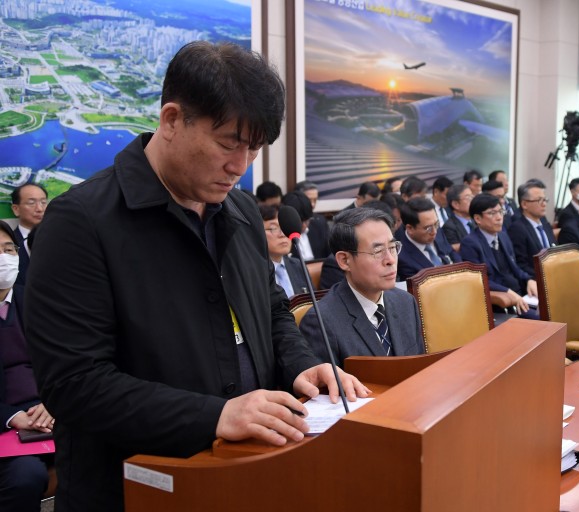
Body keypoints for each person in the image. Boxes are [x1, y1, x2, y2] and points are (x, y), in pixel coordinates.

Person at [24, 41, 368, 511]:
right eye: (228, 144)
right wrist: (215, 415)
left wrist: (301, 365)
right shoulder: (81, 223)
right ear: (171, 120)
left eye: (254, 149)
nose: (240, 167)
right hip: (142, 487)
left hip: (252, 472)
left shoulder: (242, 210)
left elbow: (270, 311)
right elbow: (75, 384)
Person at [300, 209, 424, 368]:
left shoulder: (405, 302)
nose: (390, 260)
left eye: (392, 247)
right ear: (344, 260)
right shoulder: (321, 322)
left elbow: (419, 368)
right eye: (378, 251)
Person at [0, 220, 54, 512]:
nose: (4, 257)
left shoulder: (36, 301)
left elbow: (69, 360)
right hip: (8, 426)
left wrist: (55, 401)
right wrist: (12, 417)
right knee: (25, 477)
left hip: (53, 413)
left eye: (9, 249)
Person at [459, 194, 539, 319]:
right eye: (492, 213)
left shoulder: (503, 236)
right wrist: (507, 291)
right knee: (543, 317)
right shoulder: (470, 243)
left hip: (520, 294)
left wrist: (529, 280)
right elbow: (478, 280)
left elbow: (515, 267)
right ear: (478, 218)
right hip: (502, 304)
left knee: (554, 307)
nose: (499, 218)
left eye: (500, 211)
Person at [395, 197, 461, 280]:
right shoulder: (402, 257)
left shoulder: (437, 230)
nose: (434, 232)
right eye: (428, 228)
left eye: (436, 224)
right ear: (410, 228)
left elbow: (451, 252)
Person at [507, 179, 556, 277]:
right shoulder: (517, 229)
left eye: (545, 199)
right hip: (535, 281)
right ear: (524, 204)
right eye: (539, 200)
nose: (544, 204)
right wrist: (546, 276)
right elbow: (521, 265)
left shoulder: (545, 224)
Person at [260, 205, 311, 297]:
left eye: (284, 228)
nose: (282, 234)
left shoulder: (297, 265)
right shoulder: (254, 272)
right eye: (273, 228)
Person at [10, 183, 48, 285]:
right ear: (16, 209)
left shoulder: (59, 240)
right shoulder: (9, 244)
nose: (40, 209)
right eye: (31, 203)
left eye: (43, 202)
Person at [293, 180, 330, 259]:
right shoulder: (286, 225)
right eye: (309, 200)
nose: (312, 205)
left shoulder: (320, 222)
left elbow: (330, 253)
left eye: (315, 200)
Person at [282, 191, 316, 261]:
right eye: (300, 221)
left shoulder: (319, 225)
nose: (304, 225)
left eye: (307, 220)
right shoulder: (282, 235)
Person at [442, 184, 474, 252]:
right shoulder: (449, 227)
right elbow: (454, 252)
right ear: (455, 204)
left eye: (472, 197)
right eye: (468, 198)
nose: (472, 201)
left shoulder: (477, 220)